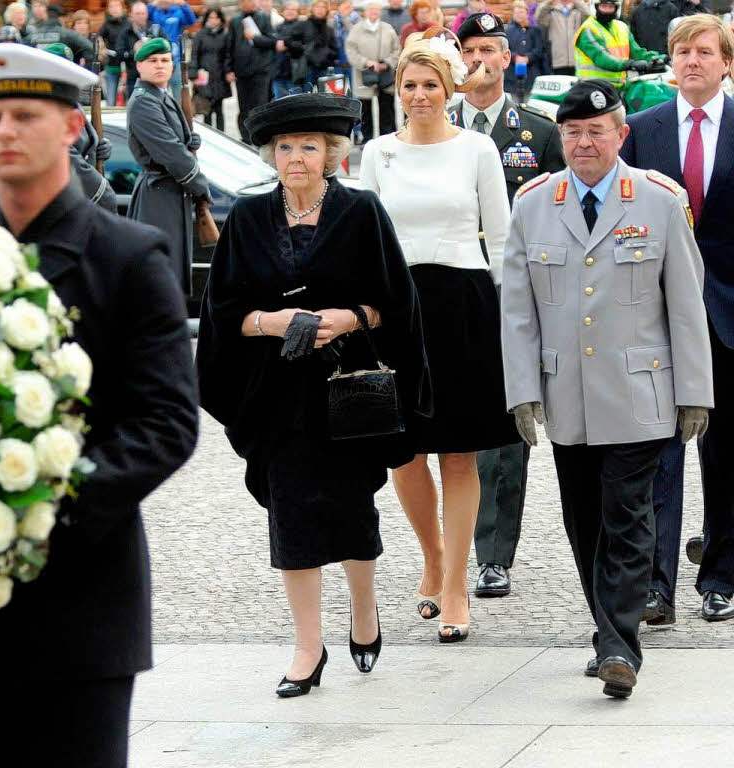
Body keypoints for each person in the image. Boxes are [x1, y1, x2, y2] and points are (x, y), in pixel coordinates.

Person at [0, 41, 198, 767]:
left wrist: (48, 504)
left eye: (24, 114)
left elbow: (166, 423)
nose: (3, 131)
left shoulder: (127, 253)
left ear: (70, 127)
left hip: (84, 587)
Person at [197, 91, 430, 697]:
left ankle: (364, 611)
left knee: (352, 510)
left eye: (308, 147)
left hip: (347, 394)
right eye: (284, 147)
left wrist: (349, 317)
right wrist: (272, 323)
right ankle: (306, 647)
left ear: (331, 154)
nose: (295, 157)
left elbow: (397, 305)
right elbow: (224, 314)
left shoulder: (361, 212)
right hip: (275, 396)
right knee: (292, 519)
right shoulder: (248, 219)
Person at [502, 79, 713, 698]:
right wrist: (522, 390)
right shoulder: (533, 204)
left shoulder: (656, 201)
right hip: (568, 396)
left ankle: (620, 644)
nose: (583, 142)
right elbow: (517, 310)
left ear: (622, 135)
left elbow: (685, 305)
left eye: (597, 131)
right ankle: (609, 631)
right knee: (584, 522)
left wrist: (694, 391)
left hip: (639, 395)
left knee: (627, 516)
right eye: (572, 133)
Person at [361, 30, 517, 643]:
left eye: (430, 84)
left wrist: (512, 319)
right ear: (397, 91)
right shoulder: (377, 153)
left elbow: (502, 241)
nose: (419, 95)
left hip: (464, 303)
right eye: (409, 85)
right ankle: (430, 556)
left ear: (449, 89)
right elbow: (365, 239)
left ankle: (455, 583)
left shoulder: (477, 149)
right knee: (404, 450)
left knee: (459, 450)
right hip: (398, 308)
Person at [620, 14, 734, 624]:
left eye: (705, 51)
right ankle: (654, 586)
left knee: (726, 456)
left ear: (726, 63)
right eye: (683, 50)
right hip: (656, 319)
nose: (692, 59)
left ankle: (719, 575)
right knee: (657, 458)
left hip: (729, 318)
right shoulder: (641, 131)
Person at [448, 12, 565, 599]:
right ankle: (446, 551)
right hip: (445, 292)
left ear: (508, 58)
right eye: (468, 48)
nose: (478, 59)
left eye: (489, 49)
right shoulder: (433, 126)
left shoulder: (539, 135)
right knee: (444, 424)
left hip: (509, 293)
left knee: (503, 424)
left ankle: (494, 552)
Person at [126, 37, 210, 295]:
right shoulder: (143, 101)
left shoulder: (160, 95)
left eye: (165, 60)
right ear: (139, 66)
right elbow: (170, 152)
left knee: (171, 271)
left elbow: (175, 142)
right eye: (152, 61)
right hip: (159, 193)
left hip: (171, 190)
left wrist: (189, 139)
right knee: (160, 273)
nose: (160, 66)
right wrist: (200, 186)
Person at [43, 42, 118, 211]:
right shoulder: (47, 107)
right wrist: (101, 192)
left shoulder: (70, 102)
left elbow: (83, 144)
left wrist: (98, 146)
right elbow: (66, 156)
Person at [225, 0, 281, 144]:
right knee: (243, 107)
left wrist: (255, 38)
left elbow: (272, 41)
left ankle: (260, 137)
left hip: (260, 71)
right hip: (241, 71)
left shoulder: (263, 18)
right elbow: (229, 46)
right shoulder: (236, 21)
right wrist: (229, 69)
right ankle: (245, 138)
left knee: (260, 106)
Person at [574, 0, 664, 90]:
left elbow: (637, 52)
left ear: (616, 8)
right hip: (593, 87)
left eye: (611, 7)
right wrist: (631, 64)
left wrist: (660, 58)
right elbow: (601, 58)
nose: (607, 10)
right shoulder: (588, 29)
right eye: (604, 6)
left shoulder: (622, 27)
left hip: (619, 86)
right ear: (595, 7)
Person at [346, 0, 400, 139]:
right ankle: (367, 140)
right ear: (365, 12)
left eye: (377, 10)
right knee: (366, 112)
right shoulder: (356, 29)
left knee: (387, 110)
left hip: (385, 75)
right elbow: (351, 50)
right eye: (371, 10)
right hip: (364, 75)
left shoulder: (388, 28)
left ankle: (387, 139)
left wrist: (387, 63)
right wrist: (366, 62)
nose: (374, 12)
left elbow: (396, 49)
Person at [191, 7, 231, 130]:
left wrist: (229, 71)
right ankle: (209, 133)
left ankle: (222, 135)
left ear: (220, 19)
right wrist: (193, 73)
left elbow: (228, 54)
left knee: (219, 108)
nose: (213, 20)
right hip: (204, 75)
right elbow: (194, 54)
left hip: (220, 75)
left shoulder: (225, 35)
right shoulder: (200, 34)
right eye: (211, 17)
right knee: (206, 109)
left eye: (216, 17)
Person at [116, 2, 167, 99]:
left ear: (147, 14)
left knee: (155, 105)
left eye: (142, 13)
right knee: (135, 105)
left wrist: (152, 47)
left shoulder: (155, 29)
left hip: (153, 76)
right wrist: (134, 51)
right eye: (137, 13)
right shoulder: (126, 31)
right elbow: (119, 54)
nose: (140, 16)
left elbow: (167, 47)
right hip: (133, 78)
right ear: (131, 14)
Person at [149, 0, 197, 100]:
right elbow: (142, 17)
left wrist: (183, 5)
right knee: (159, 94)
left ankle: (178, 113)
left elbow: (192, 21)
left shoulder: (178, 12)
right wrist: (153, 4)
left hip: (176, 59)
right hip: (158, 59)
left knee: (178, 94)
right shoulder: (155, 12)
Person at [504, 0, 551, 100]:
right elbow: (504, 49)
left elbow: (540, 50)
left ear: (526, 13)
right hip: (512, 78)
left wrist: (528, 58)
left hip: (532, 75)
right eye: (516, 13)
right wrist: (515, 57)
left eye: (521, 12)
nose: (519, 15)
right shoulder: (508, 31)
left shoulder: (535, 30)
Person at [27, 0, 95, 63]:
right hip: (61, 72)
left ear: (46, 16)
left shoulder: (33, 35)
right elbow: (90, 48)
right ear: (60, 18)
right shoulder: (66, 34)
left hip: (39, 73)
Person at [537, 0, 590, 75]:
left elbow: (589, 16)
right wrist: (549, 2)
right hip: (558, 61)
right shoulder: (552, 13)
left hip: (577, 61)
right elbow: (539, 16)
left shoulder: (578, 12)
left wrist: (577, 2)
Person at [298, 0, 340, 89]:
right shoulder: (303, 24)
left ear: (327, 10)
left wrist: (328, 55)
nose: (320, 9)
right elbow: (292, 41)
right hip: (307, 68)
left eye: (323, 7)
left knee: (326, 99)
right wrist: (304, 52)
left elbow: (335, 48)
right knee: (307, 99)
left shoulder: (329, 28)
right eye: (317, 7)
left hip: (325, 69)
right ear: (312, 9)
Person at [272, 1, 306, 99]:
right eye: (287, 9)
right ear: (283, 11)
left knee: (296, 105)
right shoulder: (278, 27)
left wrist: (286, 44)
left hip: (295, 75)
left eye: (293, 9)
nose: (290, 12)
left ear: (298, 12)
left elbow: (303, 47)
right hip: (278, 74)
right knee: (279, 106)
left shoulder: (303, 26)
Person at [100, 0, 128, 106]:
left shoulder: (128, 22)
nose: (114, 9)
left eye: (117, 6)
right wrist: (102, 49)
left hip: (127, 65)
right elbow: (98, 37)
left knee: (129, 98)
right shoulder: (106, 25)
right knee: (111, 100)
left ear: (122, 7)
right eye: (111, 7)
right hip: (112, 65)